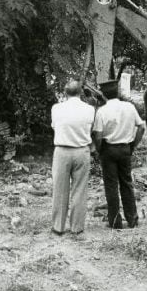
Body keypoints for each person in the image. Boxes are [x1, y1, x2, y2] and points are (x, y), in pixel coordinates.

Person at [93, 81, 145, 229]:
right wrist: (133, 145)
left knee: (111, 186)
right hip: (125, 149)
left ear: (103, 94)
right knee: (127, 183)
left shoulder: (102, 111)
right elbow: (141, 127)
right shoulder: (129, 107)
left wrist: (99, 149)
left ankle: (115, 221)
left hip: (108, 149)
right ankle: (132, 218)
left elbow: (98, 135)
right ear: (118, 92)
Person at [50, 80, 95, 235]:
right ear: (80, 92)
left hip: (62, 151)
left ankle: (58, 226)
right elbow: (91, 129)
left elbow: (55, 126)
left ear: (65, 92)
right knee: (80, 189)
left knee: (60, 189)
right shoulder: (89, 109)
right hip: (81, 151)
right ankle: (77, 227)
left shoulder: (56, 108)